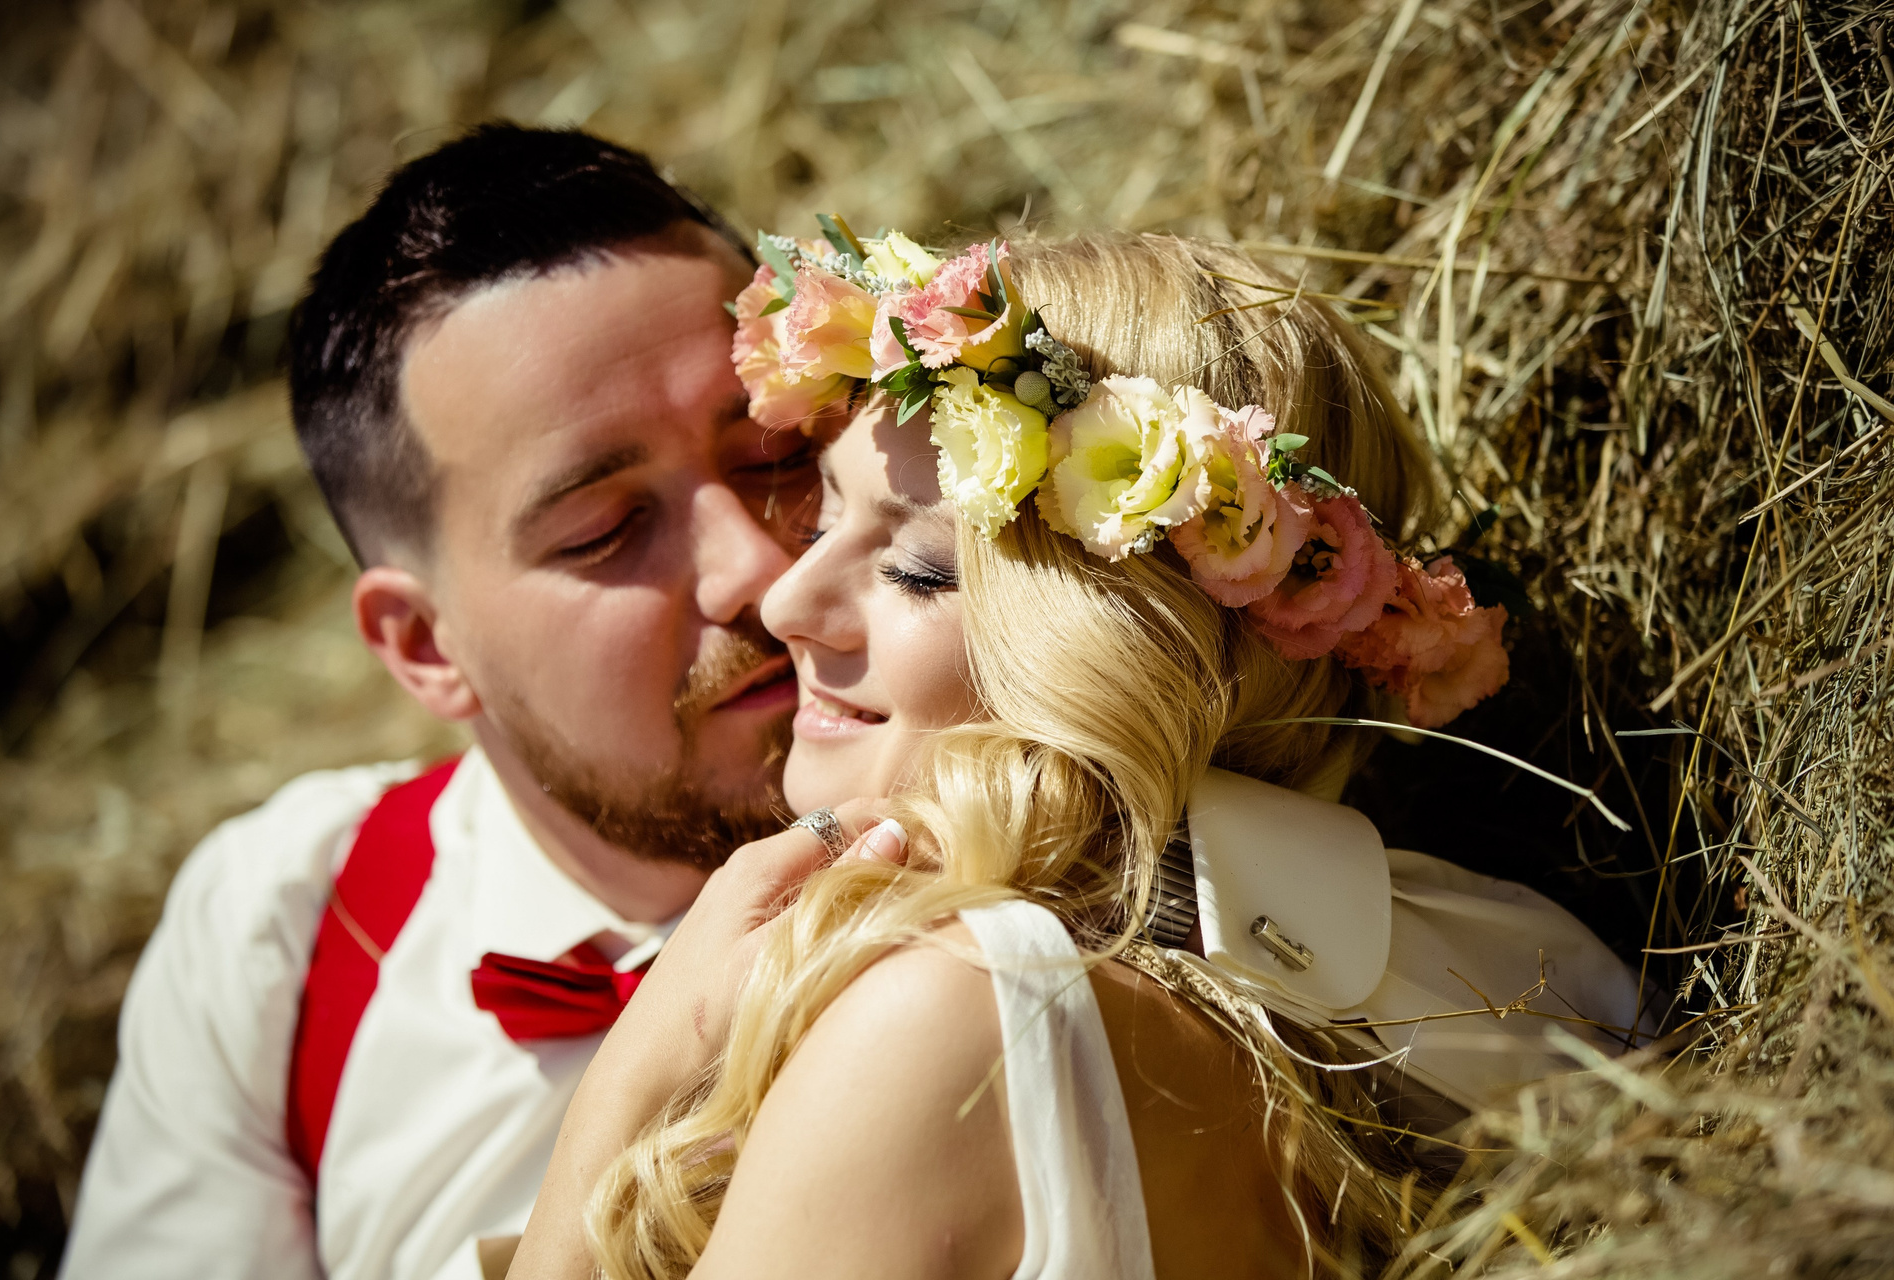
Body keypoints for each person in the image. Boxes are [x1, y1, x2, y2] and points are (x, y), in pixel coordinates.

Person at [503, 231, 1646, 1280]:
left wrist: (623, 1088)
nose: (785, 601)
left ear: (1144, 647)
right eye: (816, 522)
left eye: (918, 570)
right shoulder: (1512, 957)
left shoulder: (952, 1023)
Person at [59, 126, 822, 1280]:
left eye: (773, 450)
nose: (757, 569)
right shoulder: (287, 930)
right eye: (605, 528)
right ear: (424, 646)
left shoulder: (1054, 811)